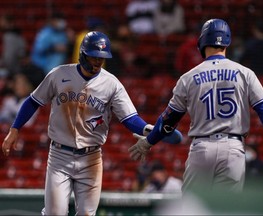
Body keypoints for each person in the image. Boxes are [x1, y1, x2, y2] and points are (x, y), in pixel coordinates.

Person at [1, 31, 181, 215]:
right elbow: (33, 101)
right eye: (94, 56)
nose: (97, 62)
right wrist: (15, 128)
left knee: (87, 214)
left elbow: (129, 118)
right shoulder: (59, 74)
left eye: (101, 58)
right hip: (59, 156)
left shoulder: (112, 83)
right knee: (55, 213)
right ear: (83, 53)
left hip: (91, 158)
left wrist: (146, 129)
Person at [128, 18, 263, 194]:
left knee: (192, 208)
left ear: (202, 43)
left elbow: (168, 122)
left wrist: (149, 142)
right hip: (233, 148)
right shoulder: (245, 73)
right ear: (227, 42)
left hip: (201, 148)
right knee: (226, 211)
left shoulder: (188, 77)